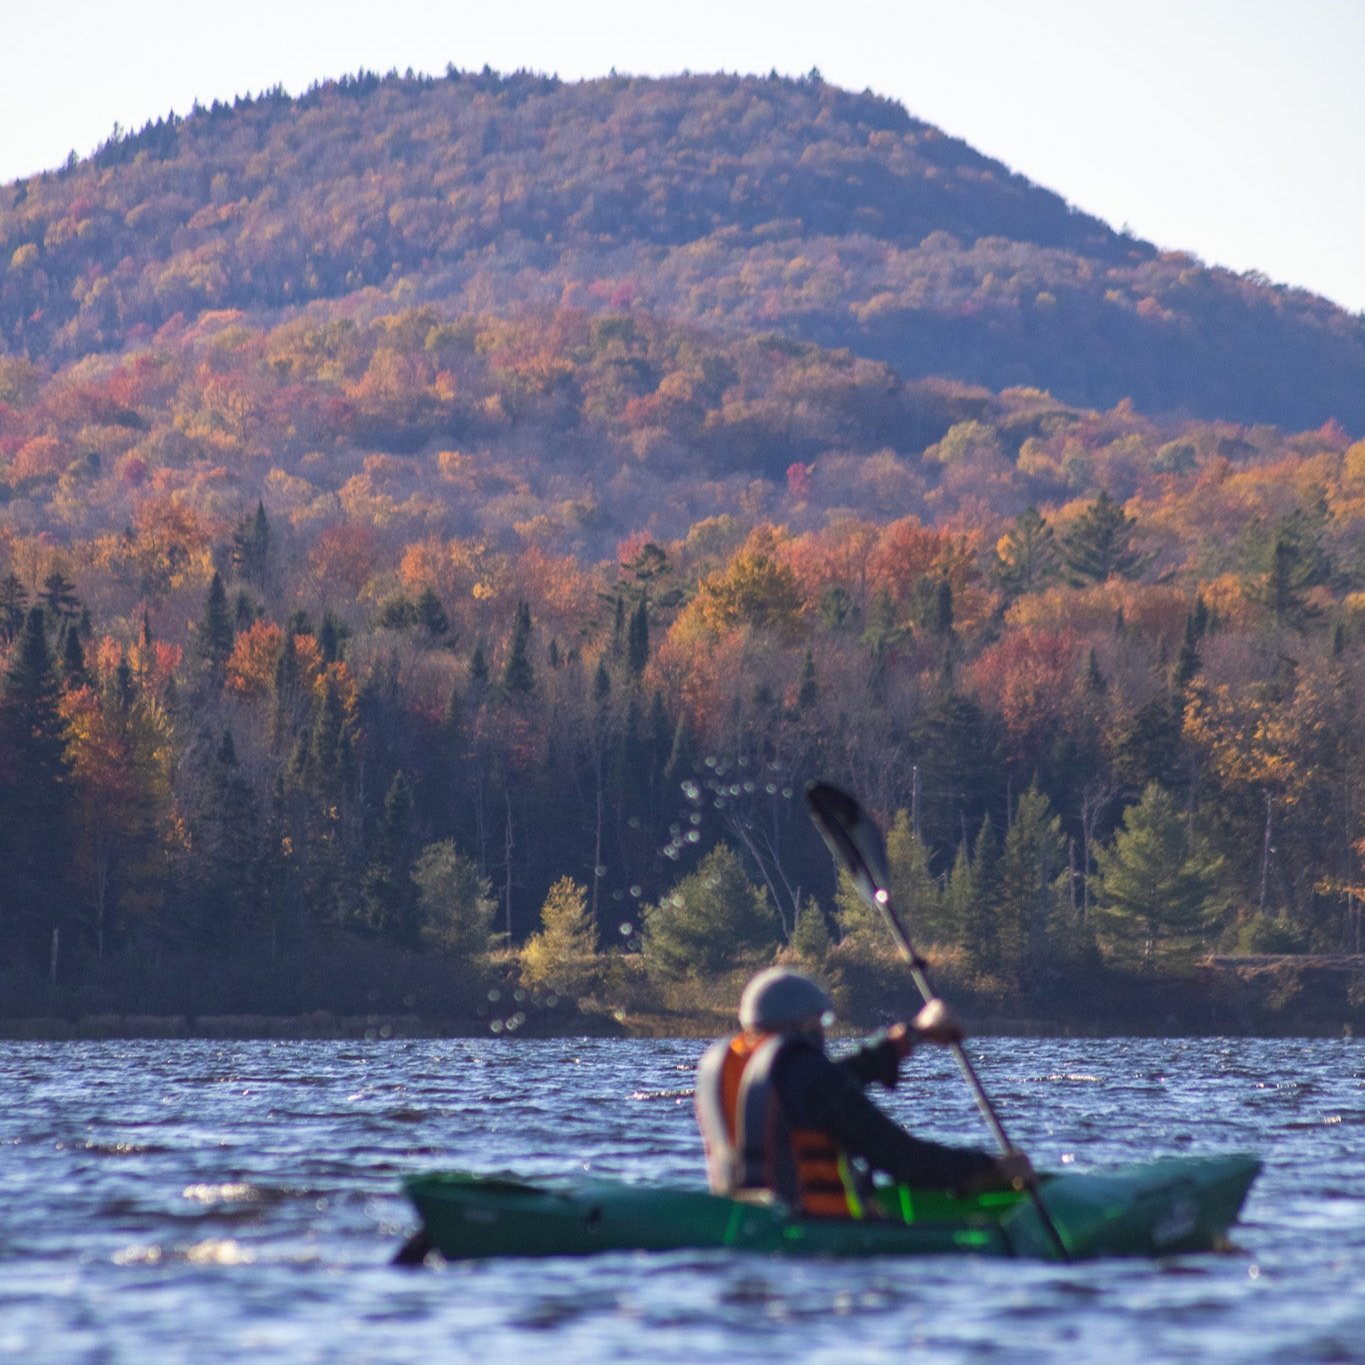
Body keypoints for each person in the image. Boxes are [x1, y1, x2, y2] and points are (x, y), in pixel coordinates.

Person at [695, 966, 1033, 1218]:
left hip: (745, 1220)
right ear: (803, 1024)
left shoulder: (730, 1065)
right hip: (817, 1236)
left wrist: (913, 1035)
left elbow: (838, 1077)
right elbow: (903, 1159)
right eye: (821, 1022)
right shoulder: (806, 1076)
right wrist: (992, 1167)